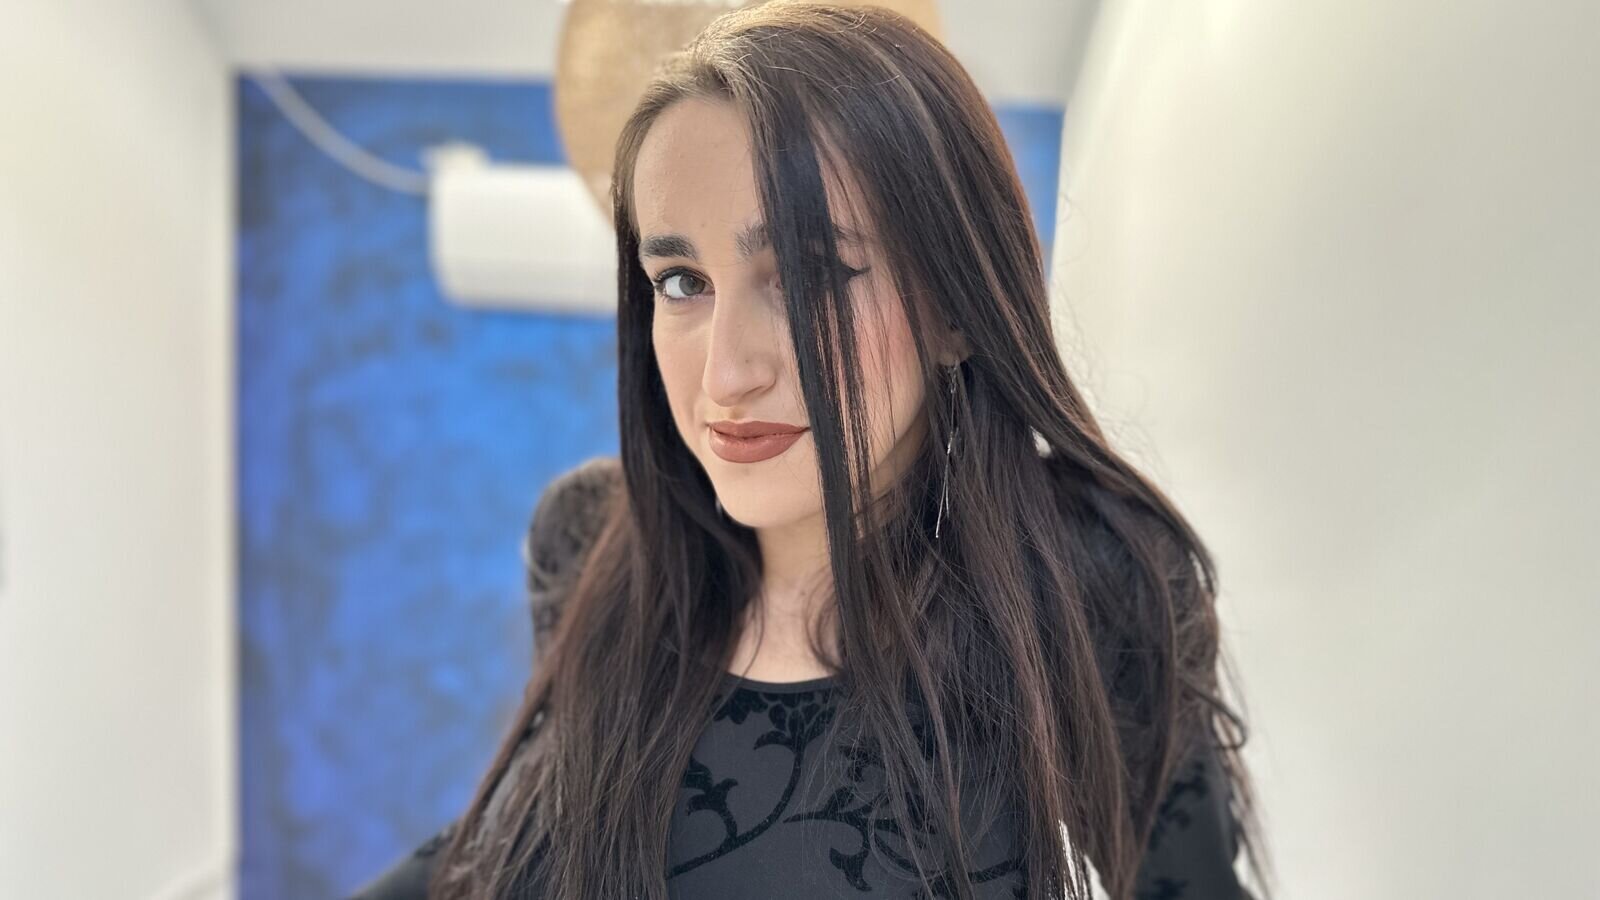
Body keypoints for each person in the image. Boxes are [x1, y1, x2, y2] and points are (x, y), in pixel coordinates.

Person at [352, 3, 1269, 898]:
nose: (726, 373)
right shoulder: (590, 542)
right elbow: (502, 841)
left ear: (953, 308)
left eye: (810, 274)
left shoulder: (1085, 584)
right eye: (682, 282)